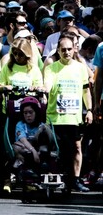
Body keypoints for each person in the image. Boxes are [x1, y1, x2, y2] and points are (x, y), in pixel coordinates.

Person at [43, 35, 93, 192]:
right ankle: (57, 180)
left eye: (69, 49)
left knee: (76, 148)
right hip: (55, 117)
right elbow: (48, 84)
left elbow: (86, 91)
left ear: (74, 49)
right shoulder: (51, 67)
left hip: (74, 117)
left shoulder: (80, 67)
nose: (66, 52)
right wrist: (45, 89)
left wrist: (89, 110)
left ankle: (75, 179)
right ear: (58, 50)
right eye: (63, 49)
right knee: (56, 151)